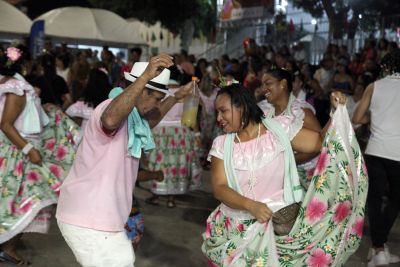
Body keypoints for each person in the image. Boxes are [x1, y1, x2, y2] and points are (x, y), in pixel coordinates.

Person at [202, 83, 368, 266]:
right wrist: (251, 205)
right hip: (237, 228)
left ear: (241, 106)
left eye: (223, 111)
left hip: (282, 228)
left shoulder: (278, 130)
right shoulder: (222, 144)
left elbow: (320, 142)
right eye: (217, 112)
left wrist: (335, 113)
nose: (219, 118)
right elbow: (219, 188)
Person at [56, 54, 193, 267]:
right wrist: (146, 75)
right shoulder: (109, 107)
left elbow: (151, 119)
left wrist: (174, 98)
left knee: (125, 260)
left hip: (101, 218)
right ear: (141, 89)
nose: (156, 105)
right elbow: (110, 120)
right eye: (156, 98)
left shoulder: (133, 117)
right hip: (89, 216)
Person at [0, 47, 78, 265]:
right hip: (18, 153)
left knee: (12, 201)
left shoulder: (10, 84)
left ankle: (8, 246)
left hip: (12, 150)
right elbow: (6, 124)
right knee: (29, 201)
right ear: (25, 66)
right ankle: (9, 247)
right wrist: (29, 150)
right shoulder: (16, 88)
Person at [352, 49, 400, 267]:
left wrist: (377, 116)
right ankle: (379, 247)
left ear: (386, 67)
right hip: (398, 153)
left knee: (374, 199)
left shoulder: (374, 86)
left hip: (375, 150)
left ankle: (377, 247)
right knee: (395, 201)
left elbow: (357, 117)